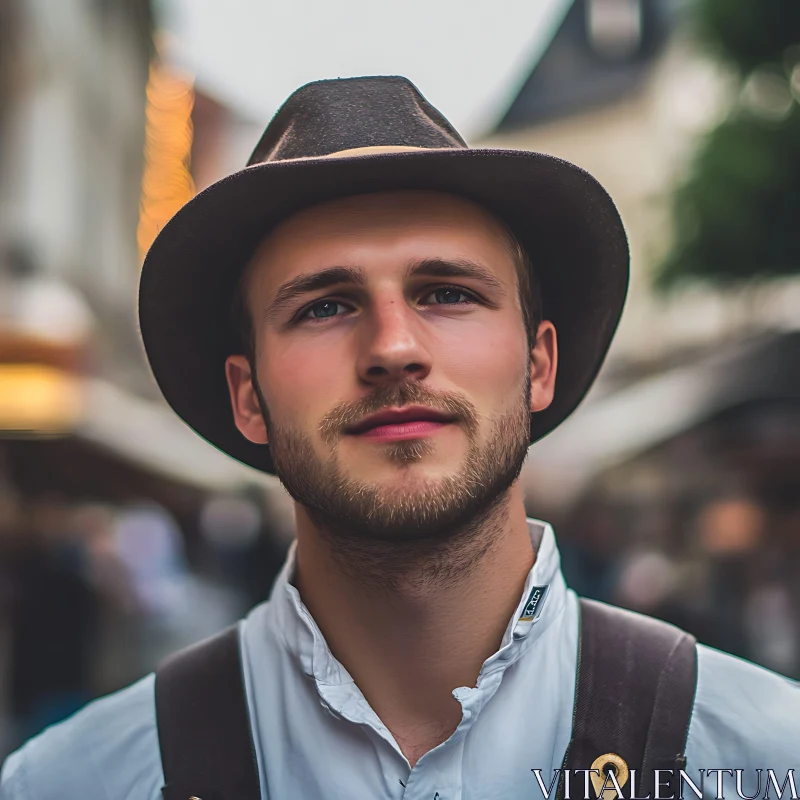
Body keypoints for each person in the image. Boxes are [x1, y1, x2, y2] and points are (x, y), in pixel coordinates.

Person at [2, 76, 798, 800]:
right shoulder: (74, 783)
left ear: (538, 364)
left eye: (447, 292)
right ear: (248, 397)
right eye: (323, 306)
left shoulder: (764, 759)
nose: (392, 347)